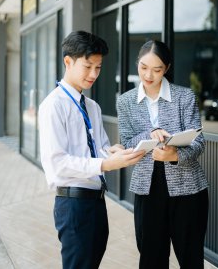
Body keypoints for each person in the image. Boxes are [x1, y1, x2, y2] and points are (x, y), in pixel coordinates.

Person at [38, 30, 144, 269]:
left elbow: (100, 148)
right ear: (68, 61)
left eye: (98, 67)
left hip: (96, 202)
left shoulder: (92, 107)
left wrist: (113, 152)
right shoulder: (53, 106)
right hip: (73, 205)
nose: (94, 74)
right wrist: (106, 164)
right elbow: (58, 163)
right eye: (88, 66)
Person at [116, 40, 208, 269]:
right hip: (148, 189)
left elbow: (198, 142)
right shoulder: (126, 101)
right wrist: (151, 133)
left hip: (188, 189)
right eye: (143, 67)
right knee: (151, 257)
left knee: (191, 257)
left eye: (157, 69)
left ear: (166, 68)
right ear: (137, 63)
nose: (148, 75)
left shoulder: (184, 97)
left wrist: (174, 155)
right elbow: (126, 142)